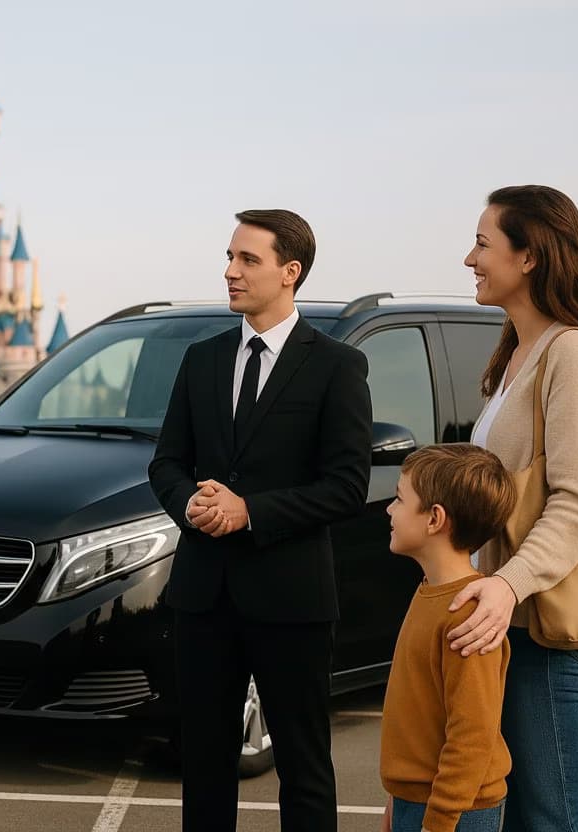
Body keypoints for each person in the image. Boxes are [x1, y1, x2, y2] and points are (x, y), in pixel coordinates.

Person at [149, 209, 373, 831]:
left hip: (292, 600)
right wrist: (189, 504)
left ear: (289, 271)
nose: (231, 271)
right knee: (204, 764)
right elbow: (167, 463)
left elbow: (347, 487)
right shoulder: (202, 359)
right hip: (203, 597)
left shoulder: (336, 366)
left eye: (248, 259)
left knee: (304, 767)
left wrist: (249, 512)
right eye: (230, 257)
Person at [449, 185, 578, 830]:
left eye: (483, 244)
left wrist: (508, 585)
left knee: (552, 816)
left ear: (530, 256)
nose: (470, 259)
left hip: (543, 622)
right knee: (520, 813)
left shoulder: (572, 352)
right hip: (506, 620)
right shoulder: (515, 354)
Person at [380, 444, 517, 832]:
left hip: (455, 812)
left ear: (434, 519)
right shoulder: (429, 591)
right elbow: (421, 719)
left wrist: (438, 821)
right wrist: (396, 799)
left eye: (399, 499)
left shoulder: (468, 615)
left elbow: (472, 735)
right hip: (417, 800)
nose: (389, 509)